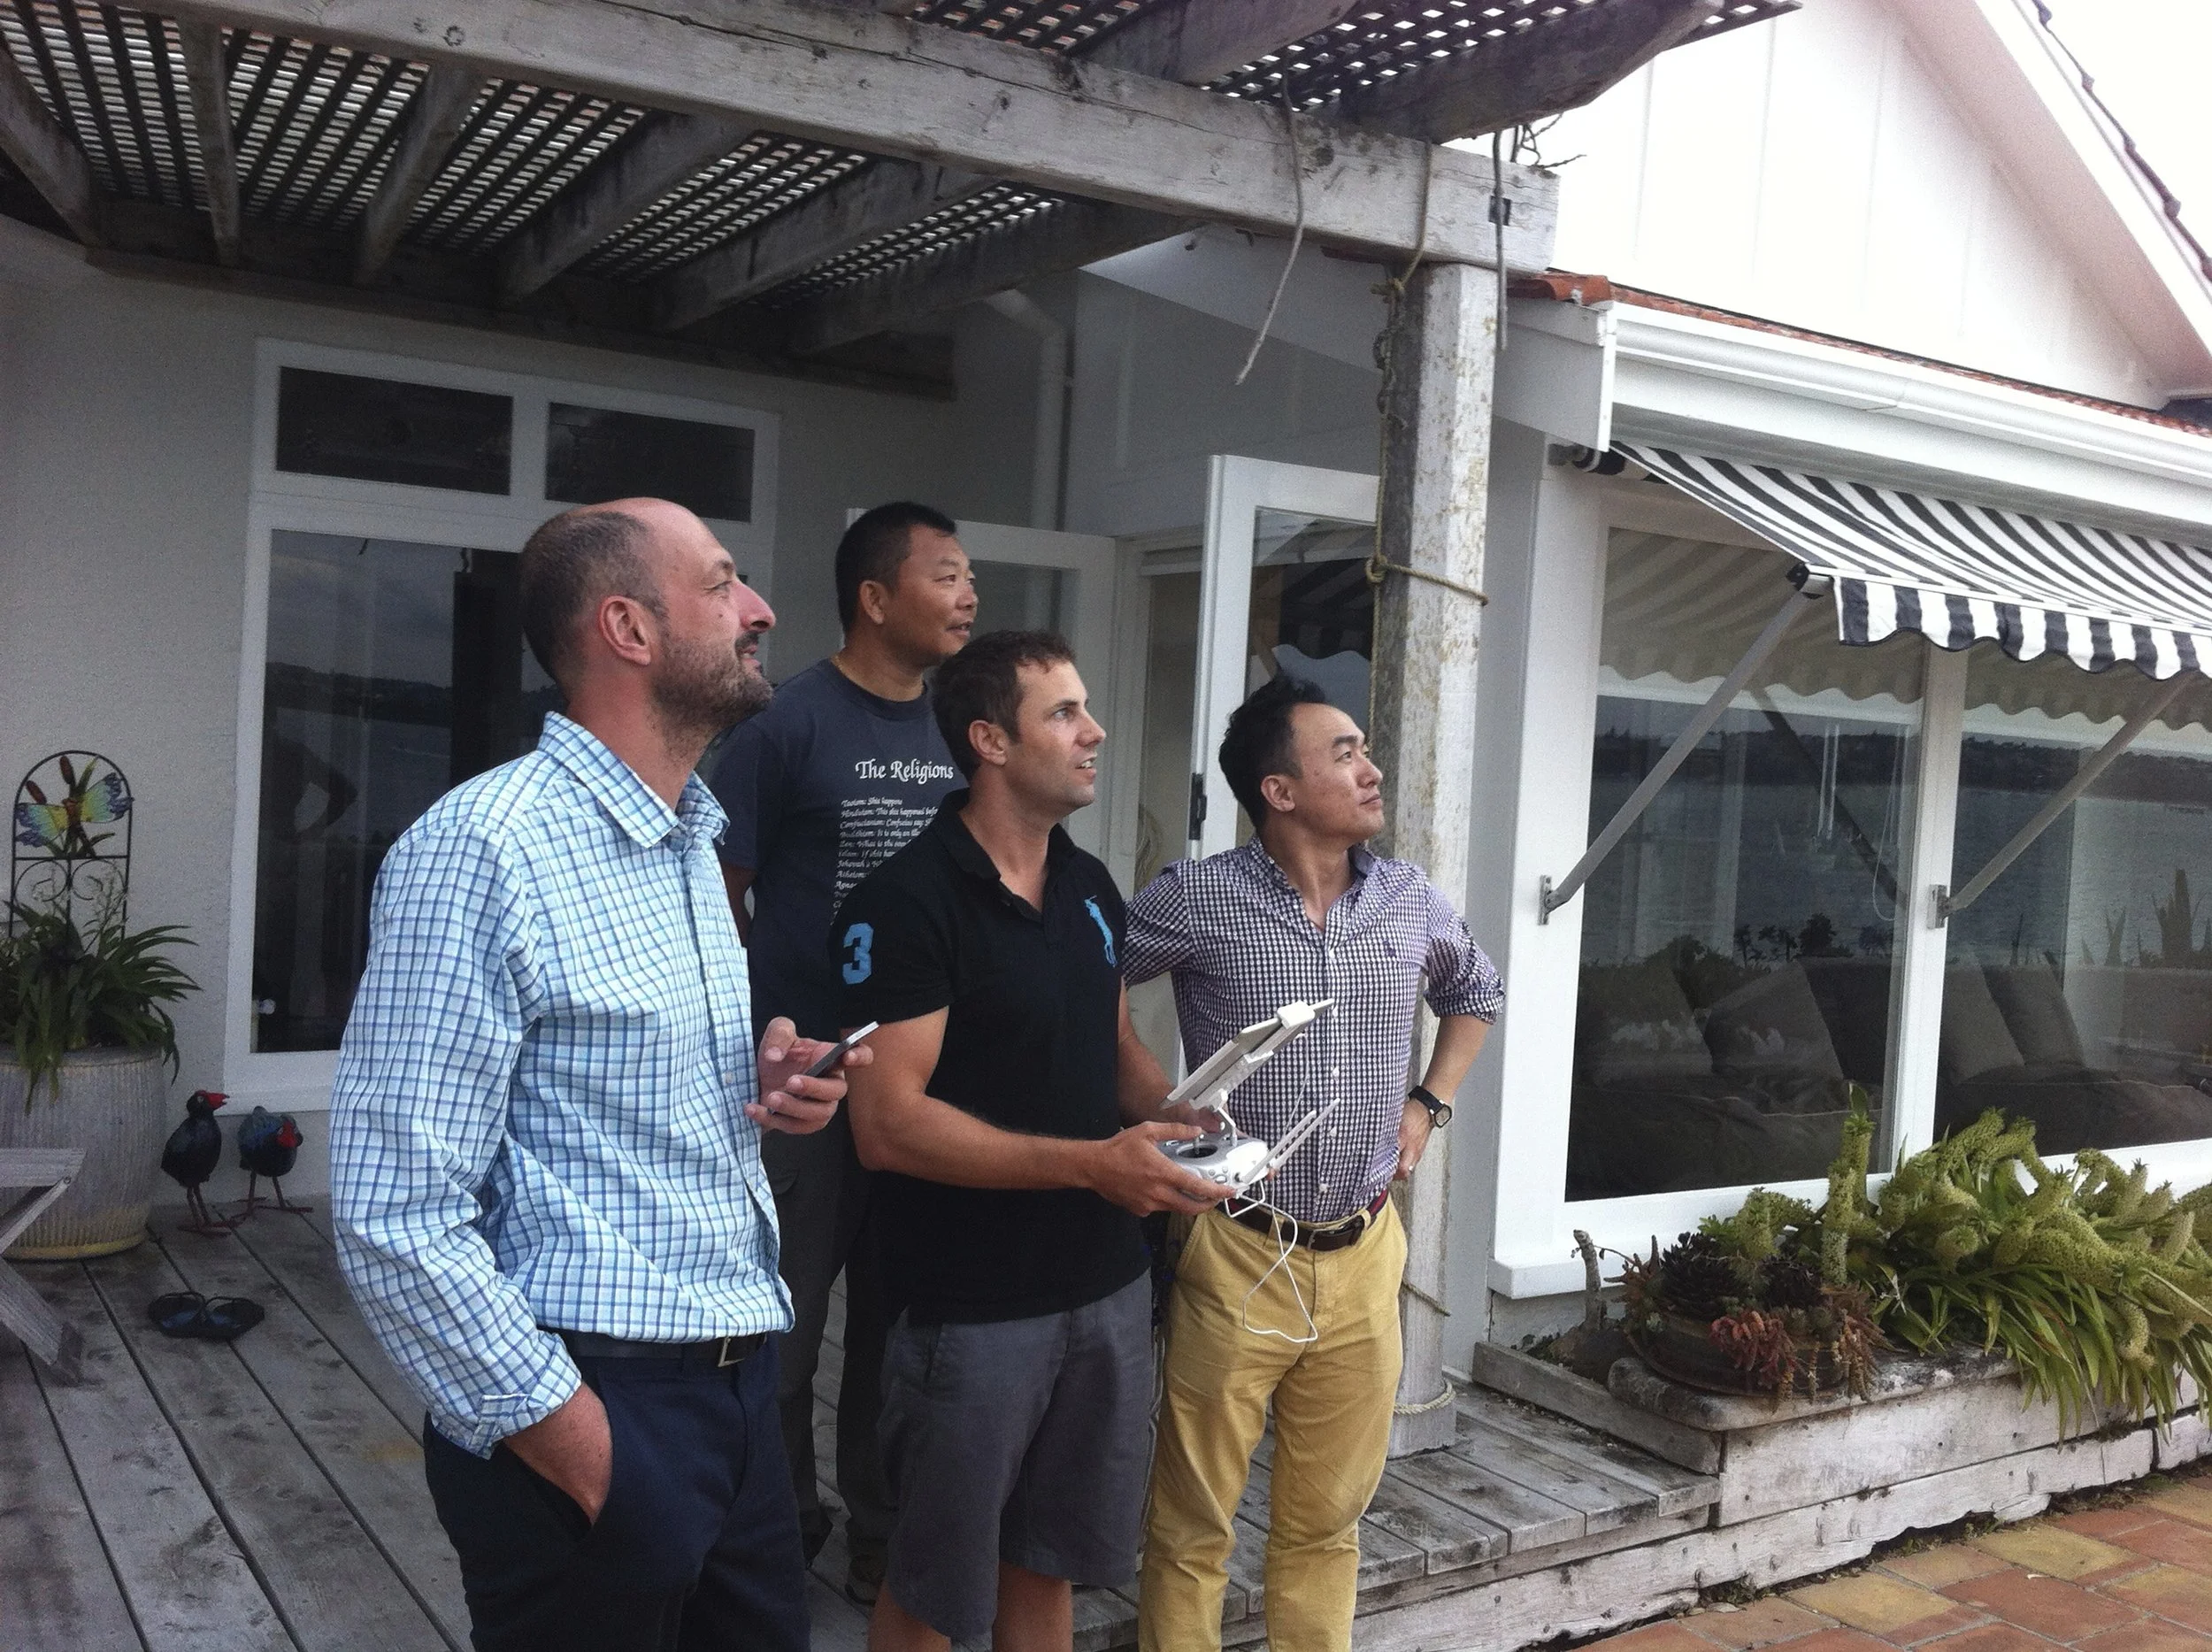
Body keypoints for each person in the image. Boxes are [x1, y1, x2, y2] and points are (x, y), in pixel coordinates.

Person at [329, 498, 865, 1652]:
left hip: (740, 1394)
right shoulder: (485, 849)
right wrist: (582, 1447)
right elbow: (394, 1207)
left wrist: (760, 1081)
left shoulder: (690, 839)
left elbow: (596, 1087)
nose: (761, 609)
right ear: (629, 627)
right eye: (721, 582)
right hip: (593, 1405)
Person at [833, 629, 1229, 1652]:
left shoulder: (1090, 884)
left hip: (1104, 1286)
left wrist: (1184, 1116)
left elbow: (1112, 1045)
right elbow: (886, 1125)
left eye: (1085, 708)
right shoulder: (903, 903)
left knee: (1047, 1563)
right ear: (989, 741)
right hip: (969, 1308)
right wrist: (1093, 1164)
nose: (1094, 731)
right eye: (1063, 712)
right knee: (932, 1589)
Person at [1127, 673, 1504, 1652]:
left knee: (1326, 1525)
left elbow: (1477, 991)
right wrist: (1156, 1104)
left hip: (1365, 1250)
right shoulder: (1197, 896)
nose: (1370, 768)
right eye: (1344, 753)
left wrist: (1428, 1102)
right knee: (1191, 1527)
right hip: (1236, 1247)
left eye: (1364, 749)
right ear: (1279, 789)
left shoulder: (1408, 897)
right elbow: (1083, 982)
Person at [708, 501, 972, 1602]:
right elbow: (717, 891)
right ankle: (784, 1531)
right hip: (810, 1089)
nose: (967, 595)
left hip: (923, 1083)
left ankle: (879, 1530)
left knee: (898, 1333)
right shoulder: (785, 724)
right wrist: (768, 1023)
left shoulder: (962, 727)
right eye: (945, 575)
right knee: (786, 1325)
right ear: (874, 597)